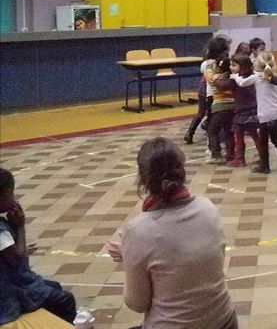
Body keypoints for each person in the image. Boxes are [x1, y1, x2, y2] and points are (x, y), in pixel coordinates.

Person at [106, 138, 237, 329]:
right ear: (182, 171)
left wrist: (130, 255)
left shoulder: (138, 231)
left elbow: (137, 304)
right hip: (224, 320)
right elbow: (199, 264)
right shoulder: (208, 207)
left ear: (142, 179)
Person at [0, 168, 77, 326]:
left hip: (8, 283)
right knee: (66, 300)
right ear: (3, 195)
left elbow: (9, 253)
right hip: (7, 297)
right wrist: (19, 226)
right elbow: (17, 257)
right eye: (11, 193)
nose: (14, 198)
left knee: (54, 287)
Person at [218, 54, 268, 169]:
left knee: (239, 135)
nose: (231, 67)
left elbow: (222, 85)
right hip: (253, 109)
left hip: (242, 111)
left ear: (243, 66)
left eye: (234, 65)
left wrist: (214, 79)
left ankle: (240, 159)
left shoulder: (236, 80)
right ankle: (263, 158)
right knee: (255, 135)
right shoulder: (252, 77)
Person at [184, 35, 230, 145]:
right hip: (208, 90)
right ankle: (193, 132)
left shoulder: (210, 61)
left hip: (208, 88)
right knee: (206, 112)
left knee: (203, 112)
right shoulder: (212, 63)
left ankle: (191, 132)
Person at [252, 51, 277, 174]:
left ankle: (265, 166)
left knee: (263, 141)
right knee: (275, 138)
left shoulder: (256, 77)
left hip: (265, 114)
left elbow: (242, 82)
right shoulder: (276, 76)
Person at [205, 56, 235, 164]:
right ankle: (231, 154)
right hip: (233, 107)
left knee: (212, 130)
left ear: (218, 67)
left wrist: (209, 65)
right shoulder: (233, 78)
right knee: (229, 132)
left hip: (220, 108)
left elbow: (208, 74)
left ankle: (216, 155)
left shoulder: (215, 79)